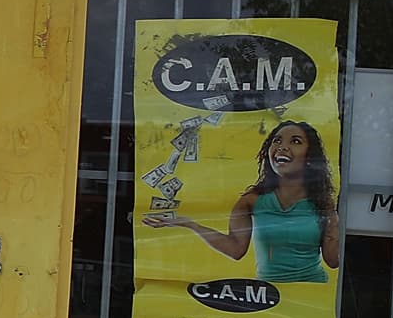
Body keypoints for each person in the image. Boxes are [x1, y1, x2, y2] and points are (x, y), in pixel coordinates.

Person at [140, 120, 340, 284]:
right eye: (277, 141)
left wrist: (336, 224)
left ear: (309, 157)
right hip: (268, 295)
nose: (283, 147)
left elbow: (332, 261)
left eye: (295, 141)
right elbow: (235, 250)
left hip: (312, 295)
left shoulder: (322, 202)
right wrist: (190, 224)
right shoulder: (252, 200)